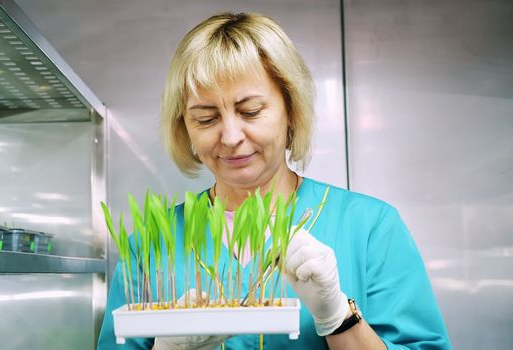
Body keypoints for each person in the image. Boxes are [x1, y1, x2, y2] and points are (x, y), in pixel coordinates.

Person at [98, 12, 451, 350]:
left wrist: (338, 317)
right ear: (184, 128)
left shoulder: (370, 227)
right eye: (206, 119)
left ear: (291, 111)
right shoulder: (150, 245)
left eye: (251, 111)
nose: (231, 136)